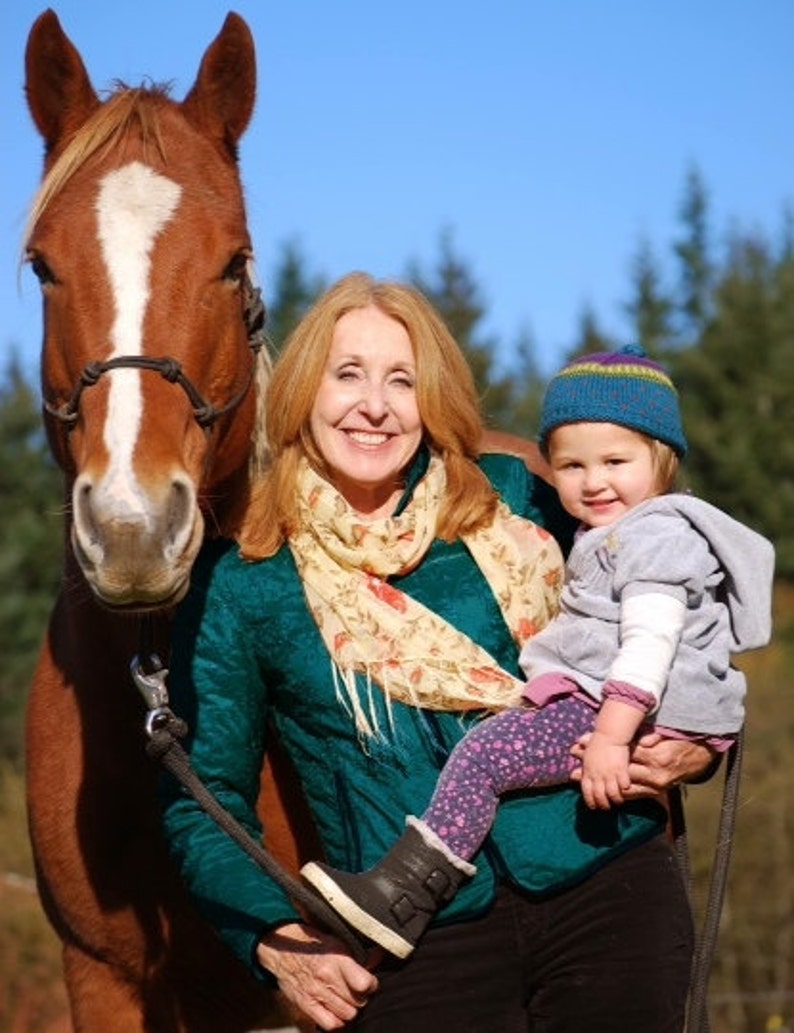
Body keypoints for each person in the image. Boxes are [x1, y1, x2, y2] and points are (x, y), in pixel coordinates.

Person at [161, 279, 717, 1033]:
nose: (375, 405)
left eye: (403, 379)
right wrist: (271, 938)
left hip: (605, 877)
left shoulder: (512, 500)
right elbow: (205, 800)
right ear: (301, 391)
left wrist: (700, 743)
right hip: (414, 942)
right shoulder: (244, 580)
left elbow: (669, 595)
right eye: (348, 373)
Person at [301, 344, 775, 962]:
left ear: (662, 461)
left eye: (615, 460)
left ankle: (406, 891)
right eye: (571, 465)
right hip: (626, 705)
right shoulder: (611, 530)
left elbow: (650, 640)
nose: (593, 481)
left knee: (485, 756)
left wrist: (611, 735)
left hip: (624, 707)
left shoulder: (654, 536)